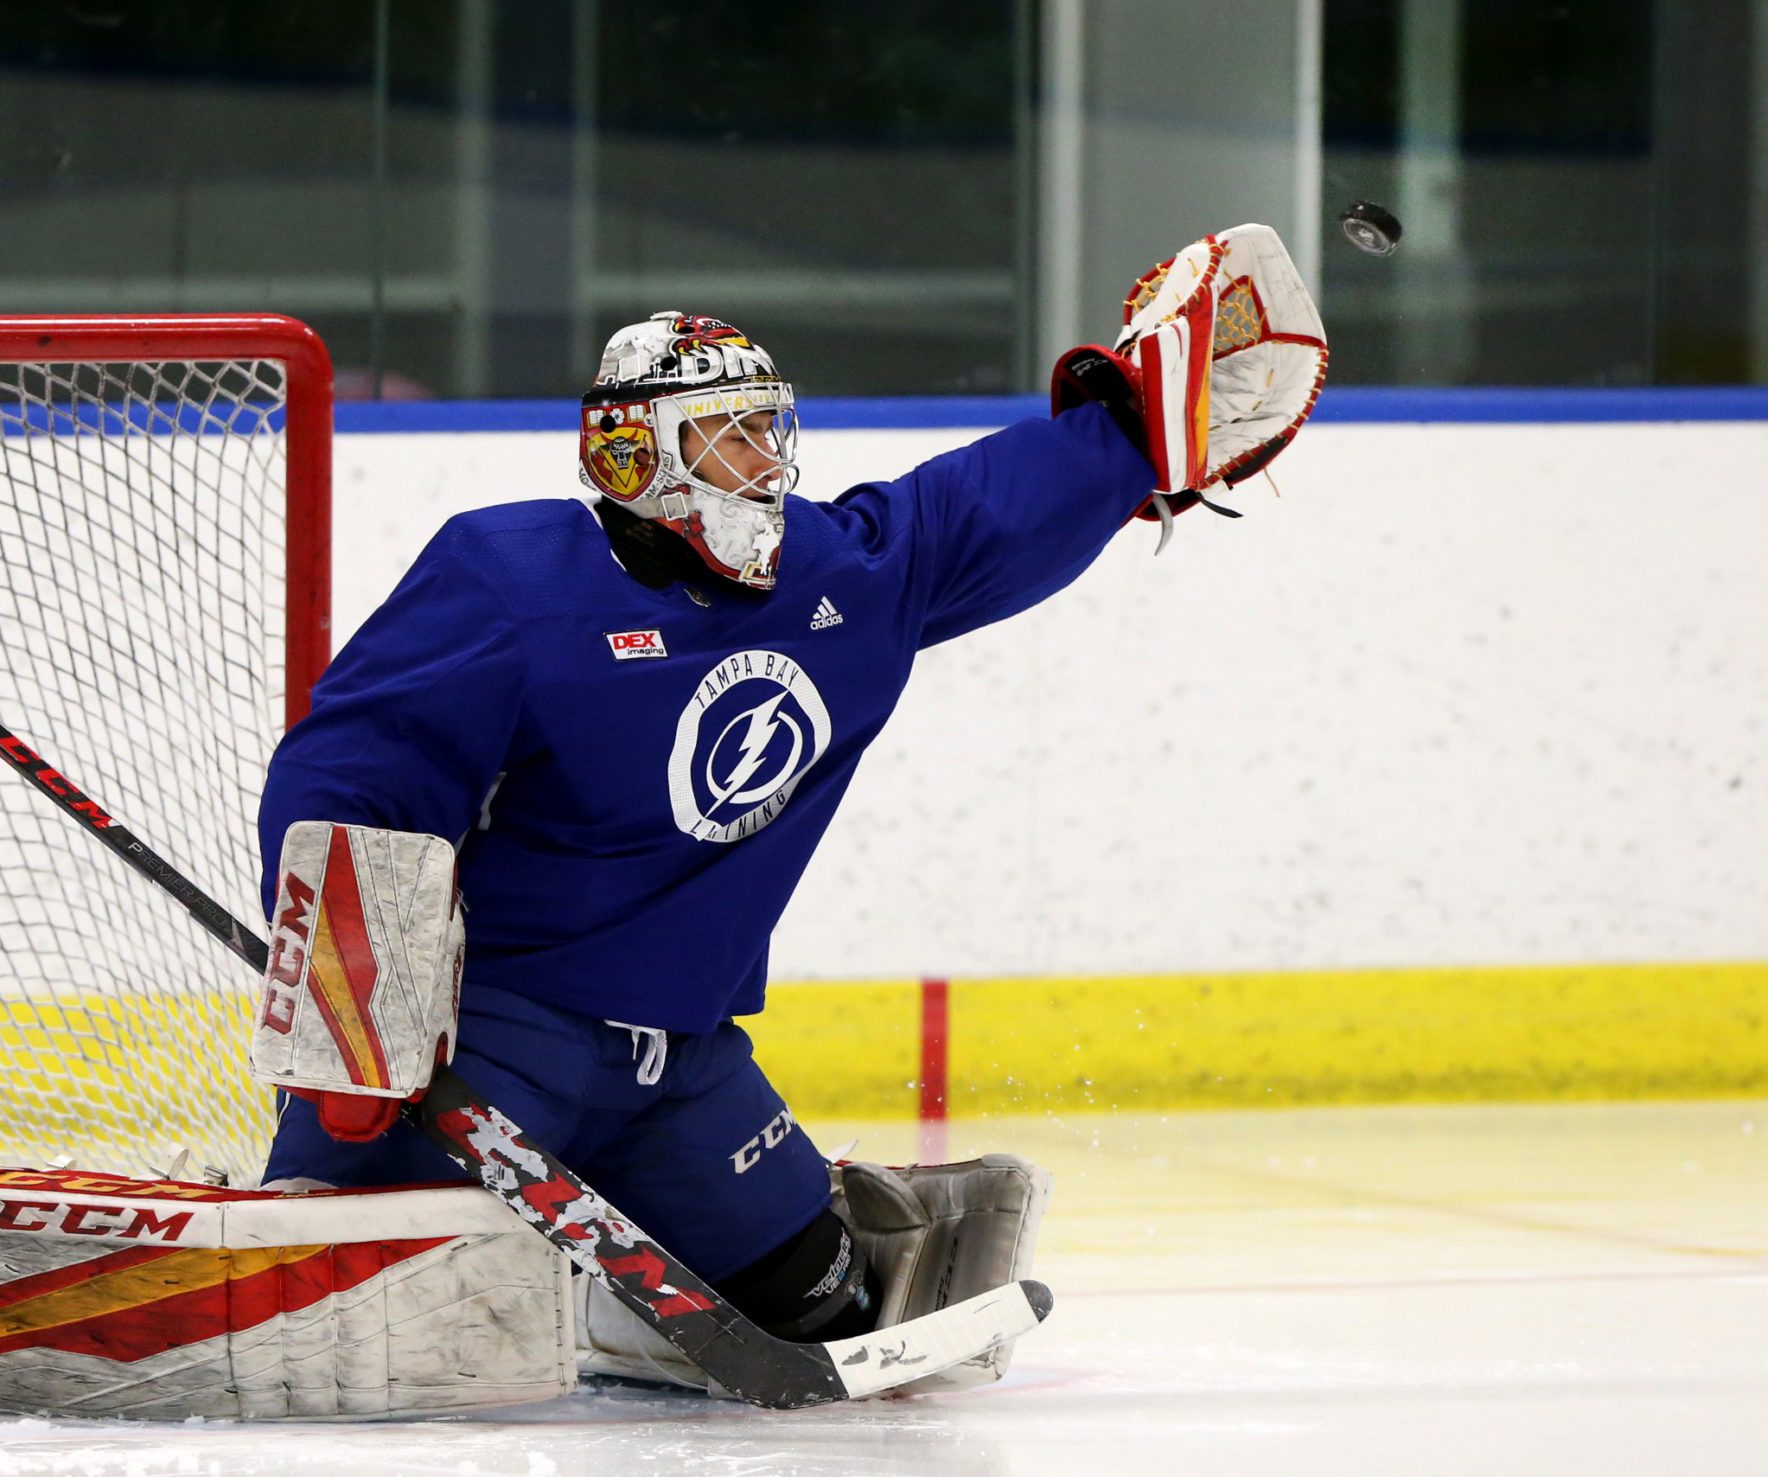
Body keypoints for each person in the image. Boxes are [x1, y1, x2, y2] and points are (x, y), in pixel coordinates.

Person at [247, 226, 1328, 1391]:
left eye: (769, 428)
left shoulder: (831, 577)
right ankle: (546, 1274)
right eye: (727, 434)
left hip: (682, 1072)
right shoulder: (508, 584)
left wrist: (1122, 432)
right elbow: (357, 785)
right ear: (630, 457)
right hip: (490, 1052)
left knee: (833, 1309)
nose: (763, 461)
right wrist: (346, 1036)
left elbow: (976, 513)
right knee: (321, 1329)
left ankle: (606, 1303)